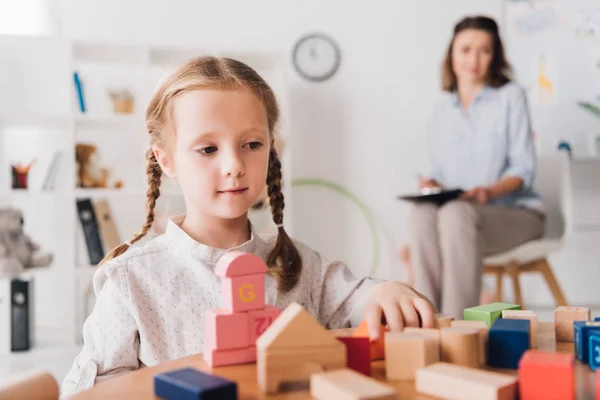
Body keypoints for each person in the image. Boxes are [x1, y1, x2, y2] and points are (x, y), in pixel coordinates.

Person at [62, 56, 435, 397]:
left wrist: (389, 290)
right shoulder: (131, 281)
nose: (234, 165)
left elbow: (359, 298)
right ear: (166, 160)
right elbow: (93, 391)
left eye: (251, 144)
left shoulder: (299, 265)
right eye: (208, 149)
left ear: (271, 148)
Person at [412, 16, 545, 319]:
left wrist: (488, 191)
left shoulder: (511, 96)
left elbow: (523, 171)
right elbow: (439, 171)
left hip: (515, 213)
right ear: (452, 54)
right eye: (466, 49)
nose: (474, 59)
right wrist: (432, 184)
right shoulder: (442, 109)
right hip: (458, 214)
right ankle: (427, 322)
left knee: (455, 214)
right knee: (423, 214)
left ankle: (457, 326)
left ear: (495, 55)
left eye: (484, 50)